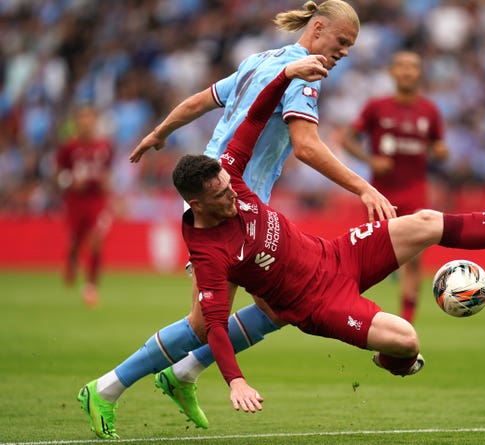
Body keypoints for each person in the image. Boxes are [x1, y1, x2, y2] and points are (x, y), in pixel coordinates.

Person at [167, 56, 485, 414]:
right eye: (221, 195)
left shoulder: (229, 172)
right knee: (406, 340)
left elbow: (255, 117)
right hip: (320, 304)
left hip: (339, 254)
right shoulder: (207, 253)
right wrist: (235, 380)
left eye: (226, 184)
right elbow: (215, 326)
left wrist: (287, 73)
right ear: (197, 204)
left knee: (427, 221)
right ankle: (393, 361)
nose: (231, 196)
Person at [78, 1, 396, 439]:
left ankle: (184, 373)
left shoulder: (259, 60)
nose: (344, 53)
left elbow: (200, 101)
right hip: (227, 204)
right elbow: (305, 145)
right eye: (341, 42)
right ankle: (106, 388)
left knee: (278, 306)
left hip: (224, 192)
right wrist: (363, 186)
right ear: (318, 28)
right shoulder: (303, 76)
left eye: (350, 47)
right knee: (201, 322)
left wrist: (161, 132)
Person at [342, 50, 449, 323]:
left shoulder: (430, 111)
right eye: (402, 66)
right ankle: (349, 315)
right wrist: (371, 160)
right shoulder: (377, 107)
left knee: (414, 261)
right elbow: (347, 140)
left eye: (413, 67)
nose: (407, 71)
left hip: (415, 194)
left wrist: (440, 151)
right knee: (364, 260)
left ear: (419, 73)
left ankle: (406, 322)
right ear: (392, 72)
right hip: (380, 196)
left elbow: (439, 146)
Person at [56, 105, 113, 307]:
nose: (86, 122)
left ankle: (91, 286)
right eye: (82, 118)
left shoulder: (104, 146)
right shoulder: (68, 148)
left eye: (90, 118)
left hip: (97, 199)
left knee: (96, 239)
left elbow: (107, 171)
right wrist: (70, 181)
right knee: (75, 243)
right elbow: (58, 175)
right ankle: (71, 262)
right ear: (77, 122)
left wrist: (108, 183)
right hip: (75, 200)